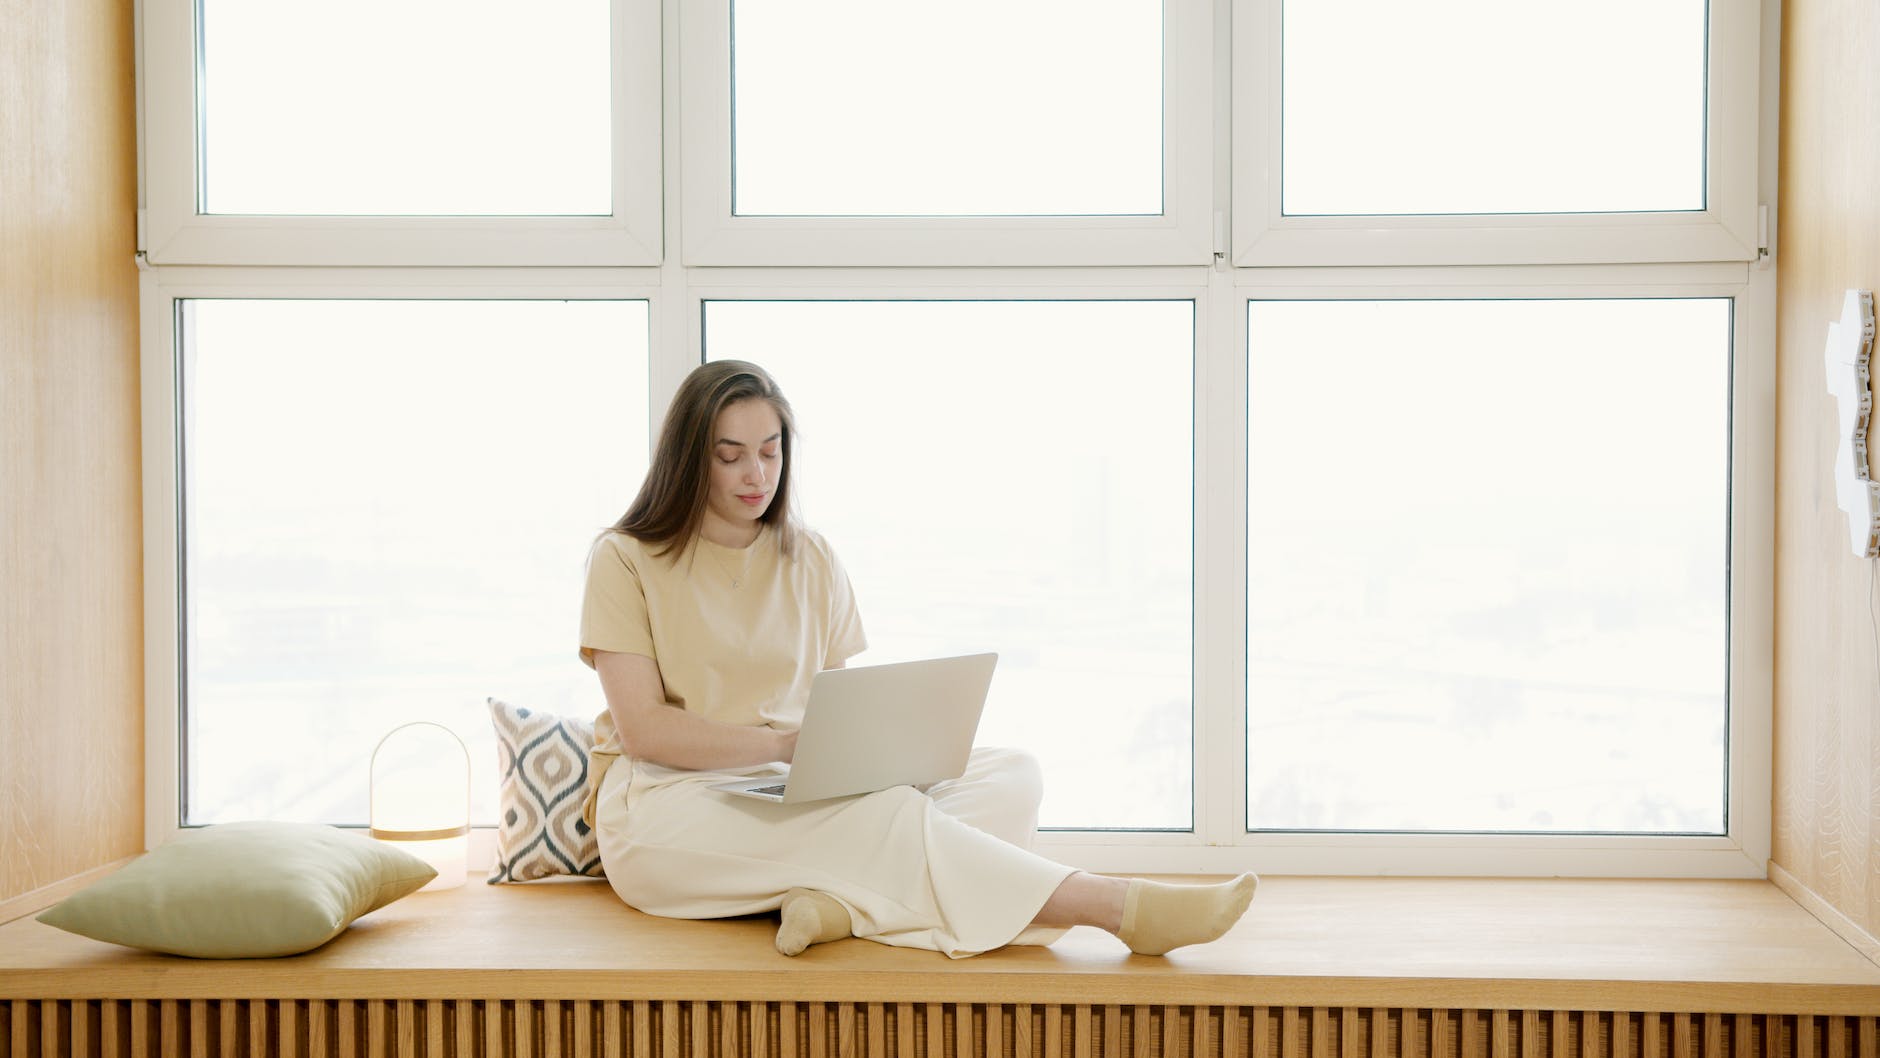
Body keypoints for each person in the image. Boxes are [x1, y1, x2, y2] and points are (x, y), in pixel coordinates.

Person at [579, 360, 1256, 958]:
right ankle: (1108, 906)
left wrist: (859, 759)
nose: (756, 474)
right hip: (668, 805)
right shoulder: (626, 557)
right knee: (883, 820)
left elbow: (832, 708)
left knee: (1010, 774)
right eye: (730, 456)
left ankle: (841, 908)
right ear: (688, 458)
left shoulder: (809, 557)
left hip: (784, 785)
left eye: (770, 450)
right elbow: (646, 731)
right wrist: (785, 745)